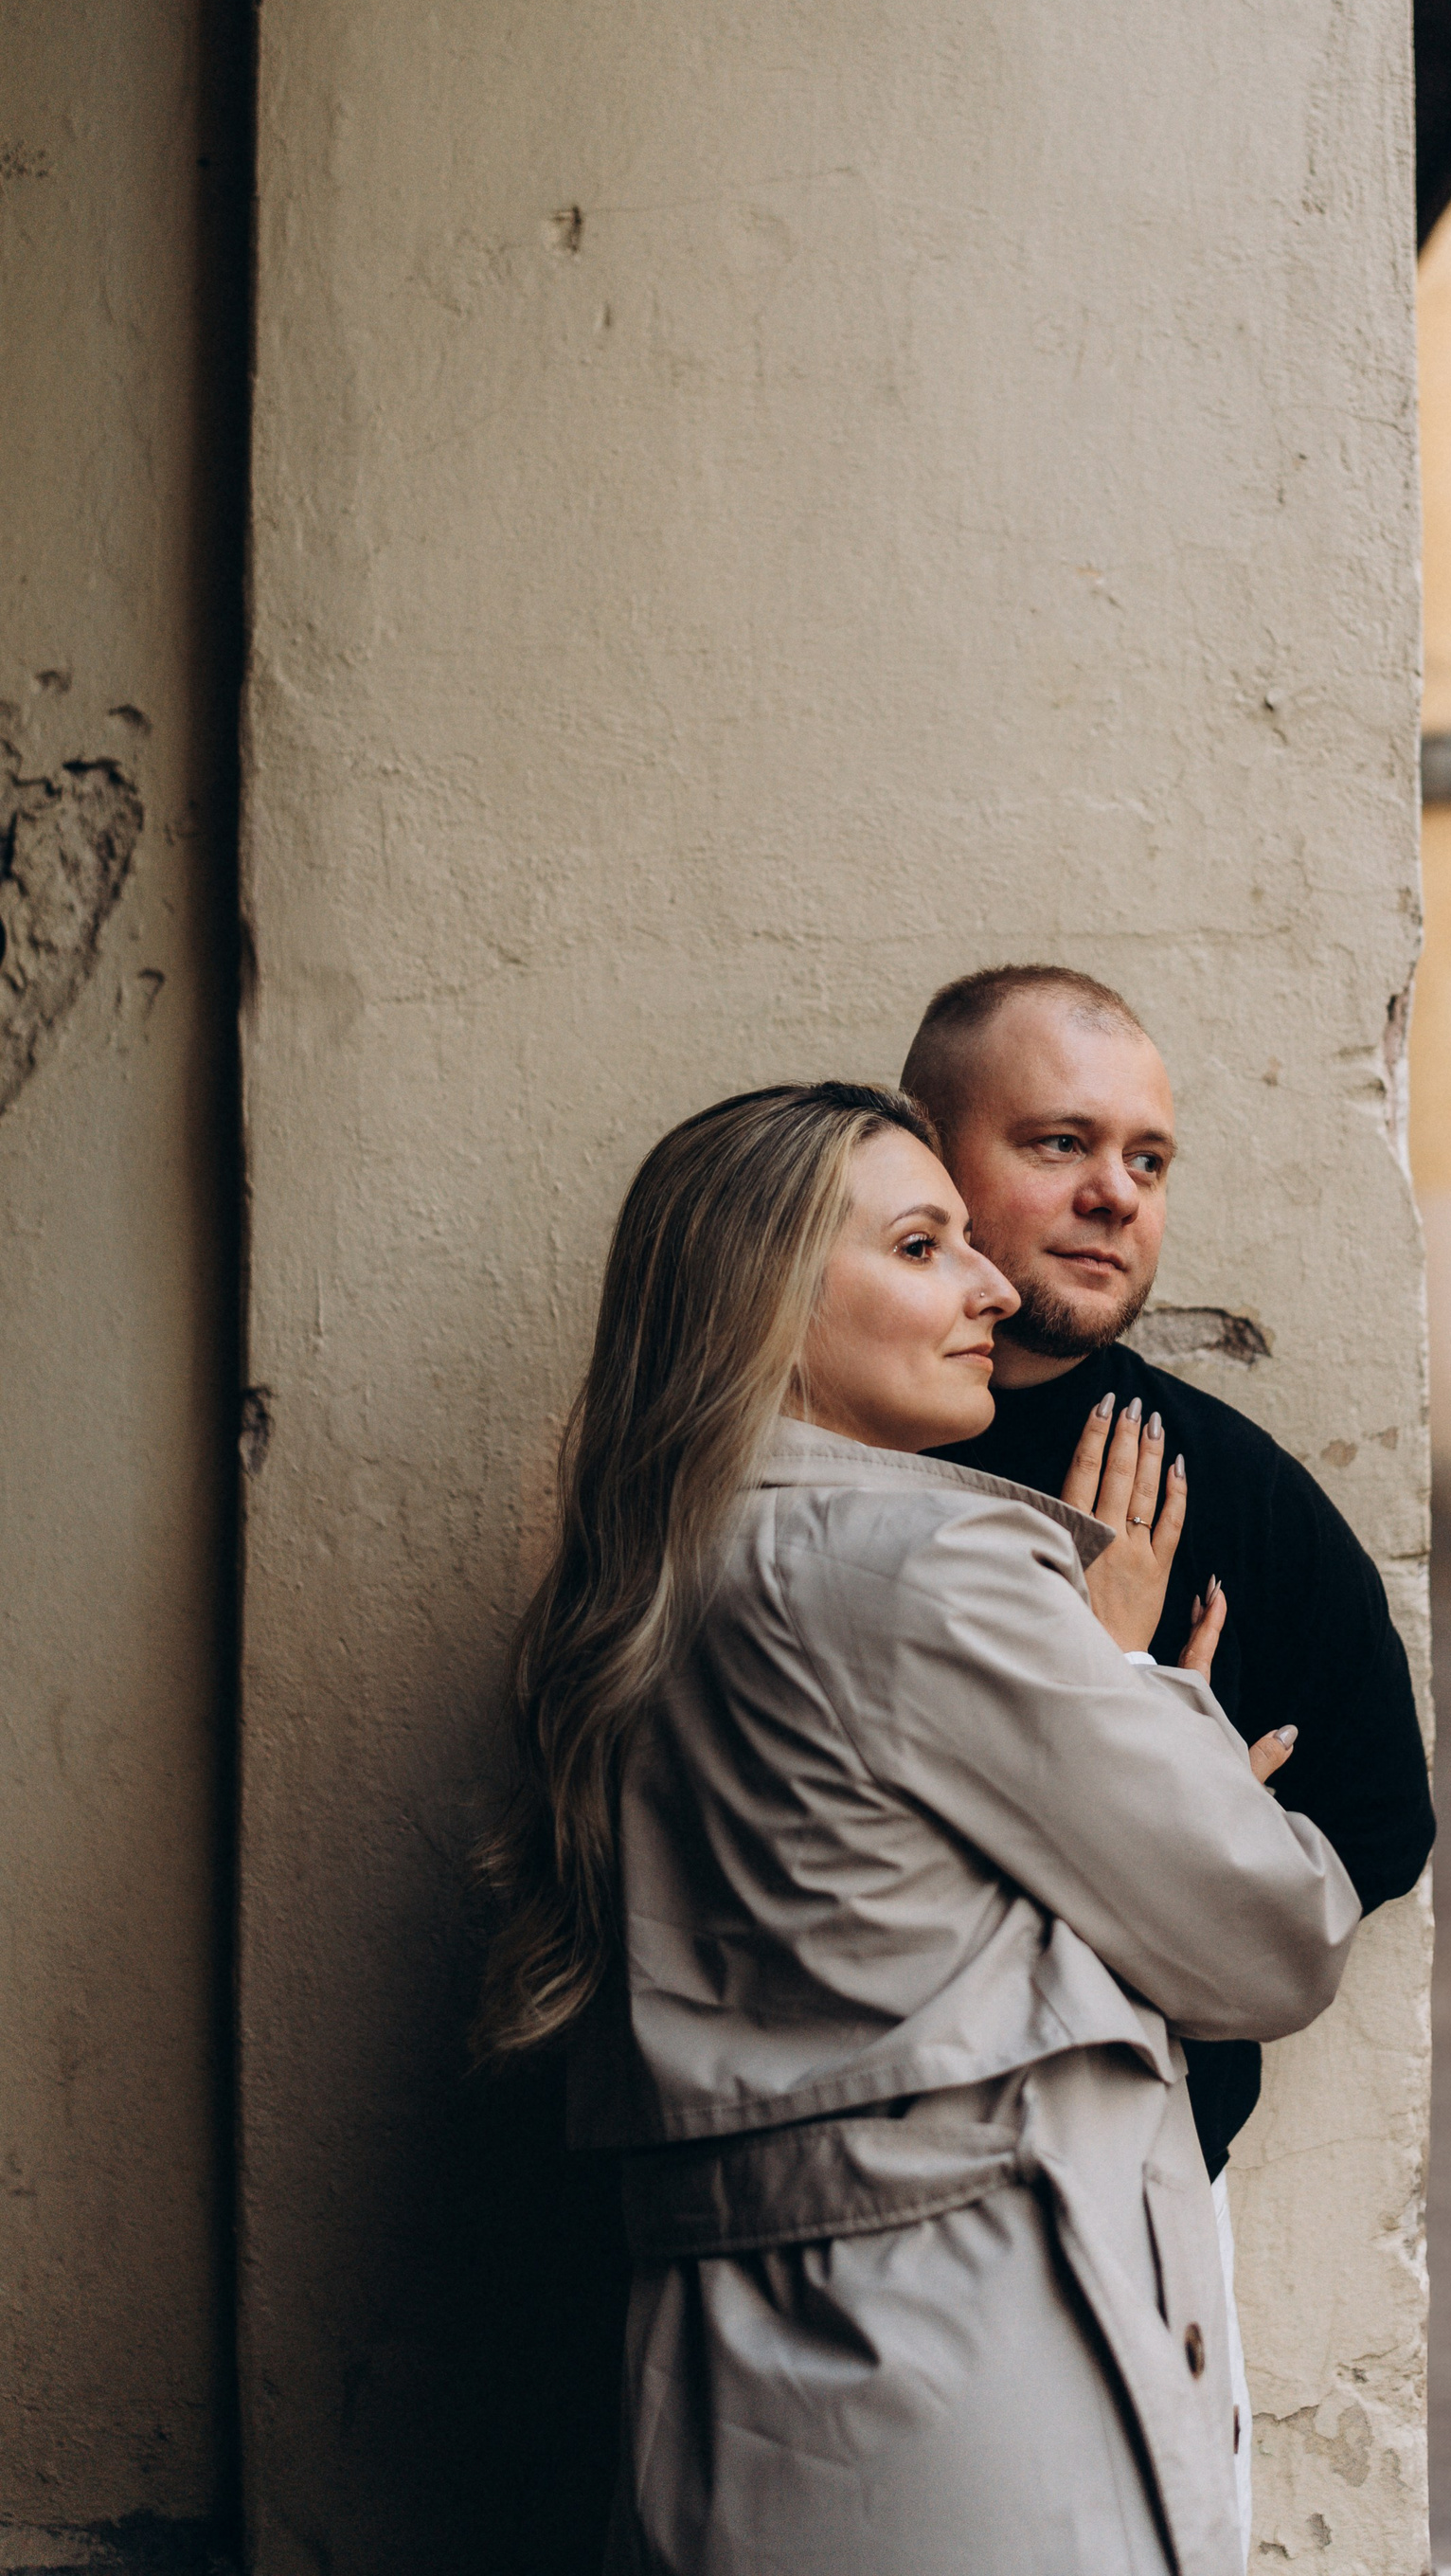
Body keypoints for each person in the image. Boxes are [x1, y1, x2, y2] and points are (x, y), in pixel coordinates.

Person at [478, 1080, 1360, 2576]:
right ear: (764, 1301)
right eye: (920, 1246)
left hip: (720, 2397)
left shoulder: (648, 1578)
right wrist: (1128, 1674)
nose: (992, 1288)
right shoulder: (931, 1567)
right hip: (977, 2396)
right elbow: (1276, 1939)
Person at [905, 964, 1438, 2518]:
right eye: (1059, 1143)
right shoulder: (813, 1466)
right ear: (923, 1151)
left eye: (1147, 1159)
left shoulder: (1232, 1491)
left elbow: (1377, 1824)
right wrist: (1156, 1781)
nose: (1114, 1196)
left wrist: (1191, 1849)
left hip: (1136, 2209)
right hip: (840, 2198)